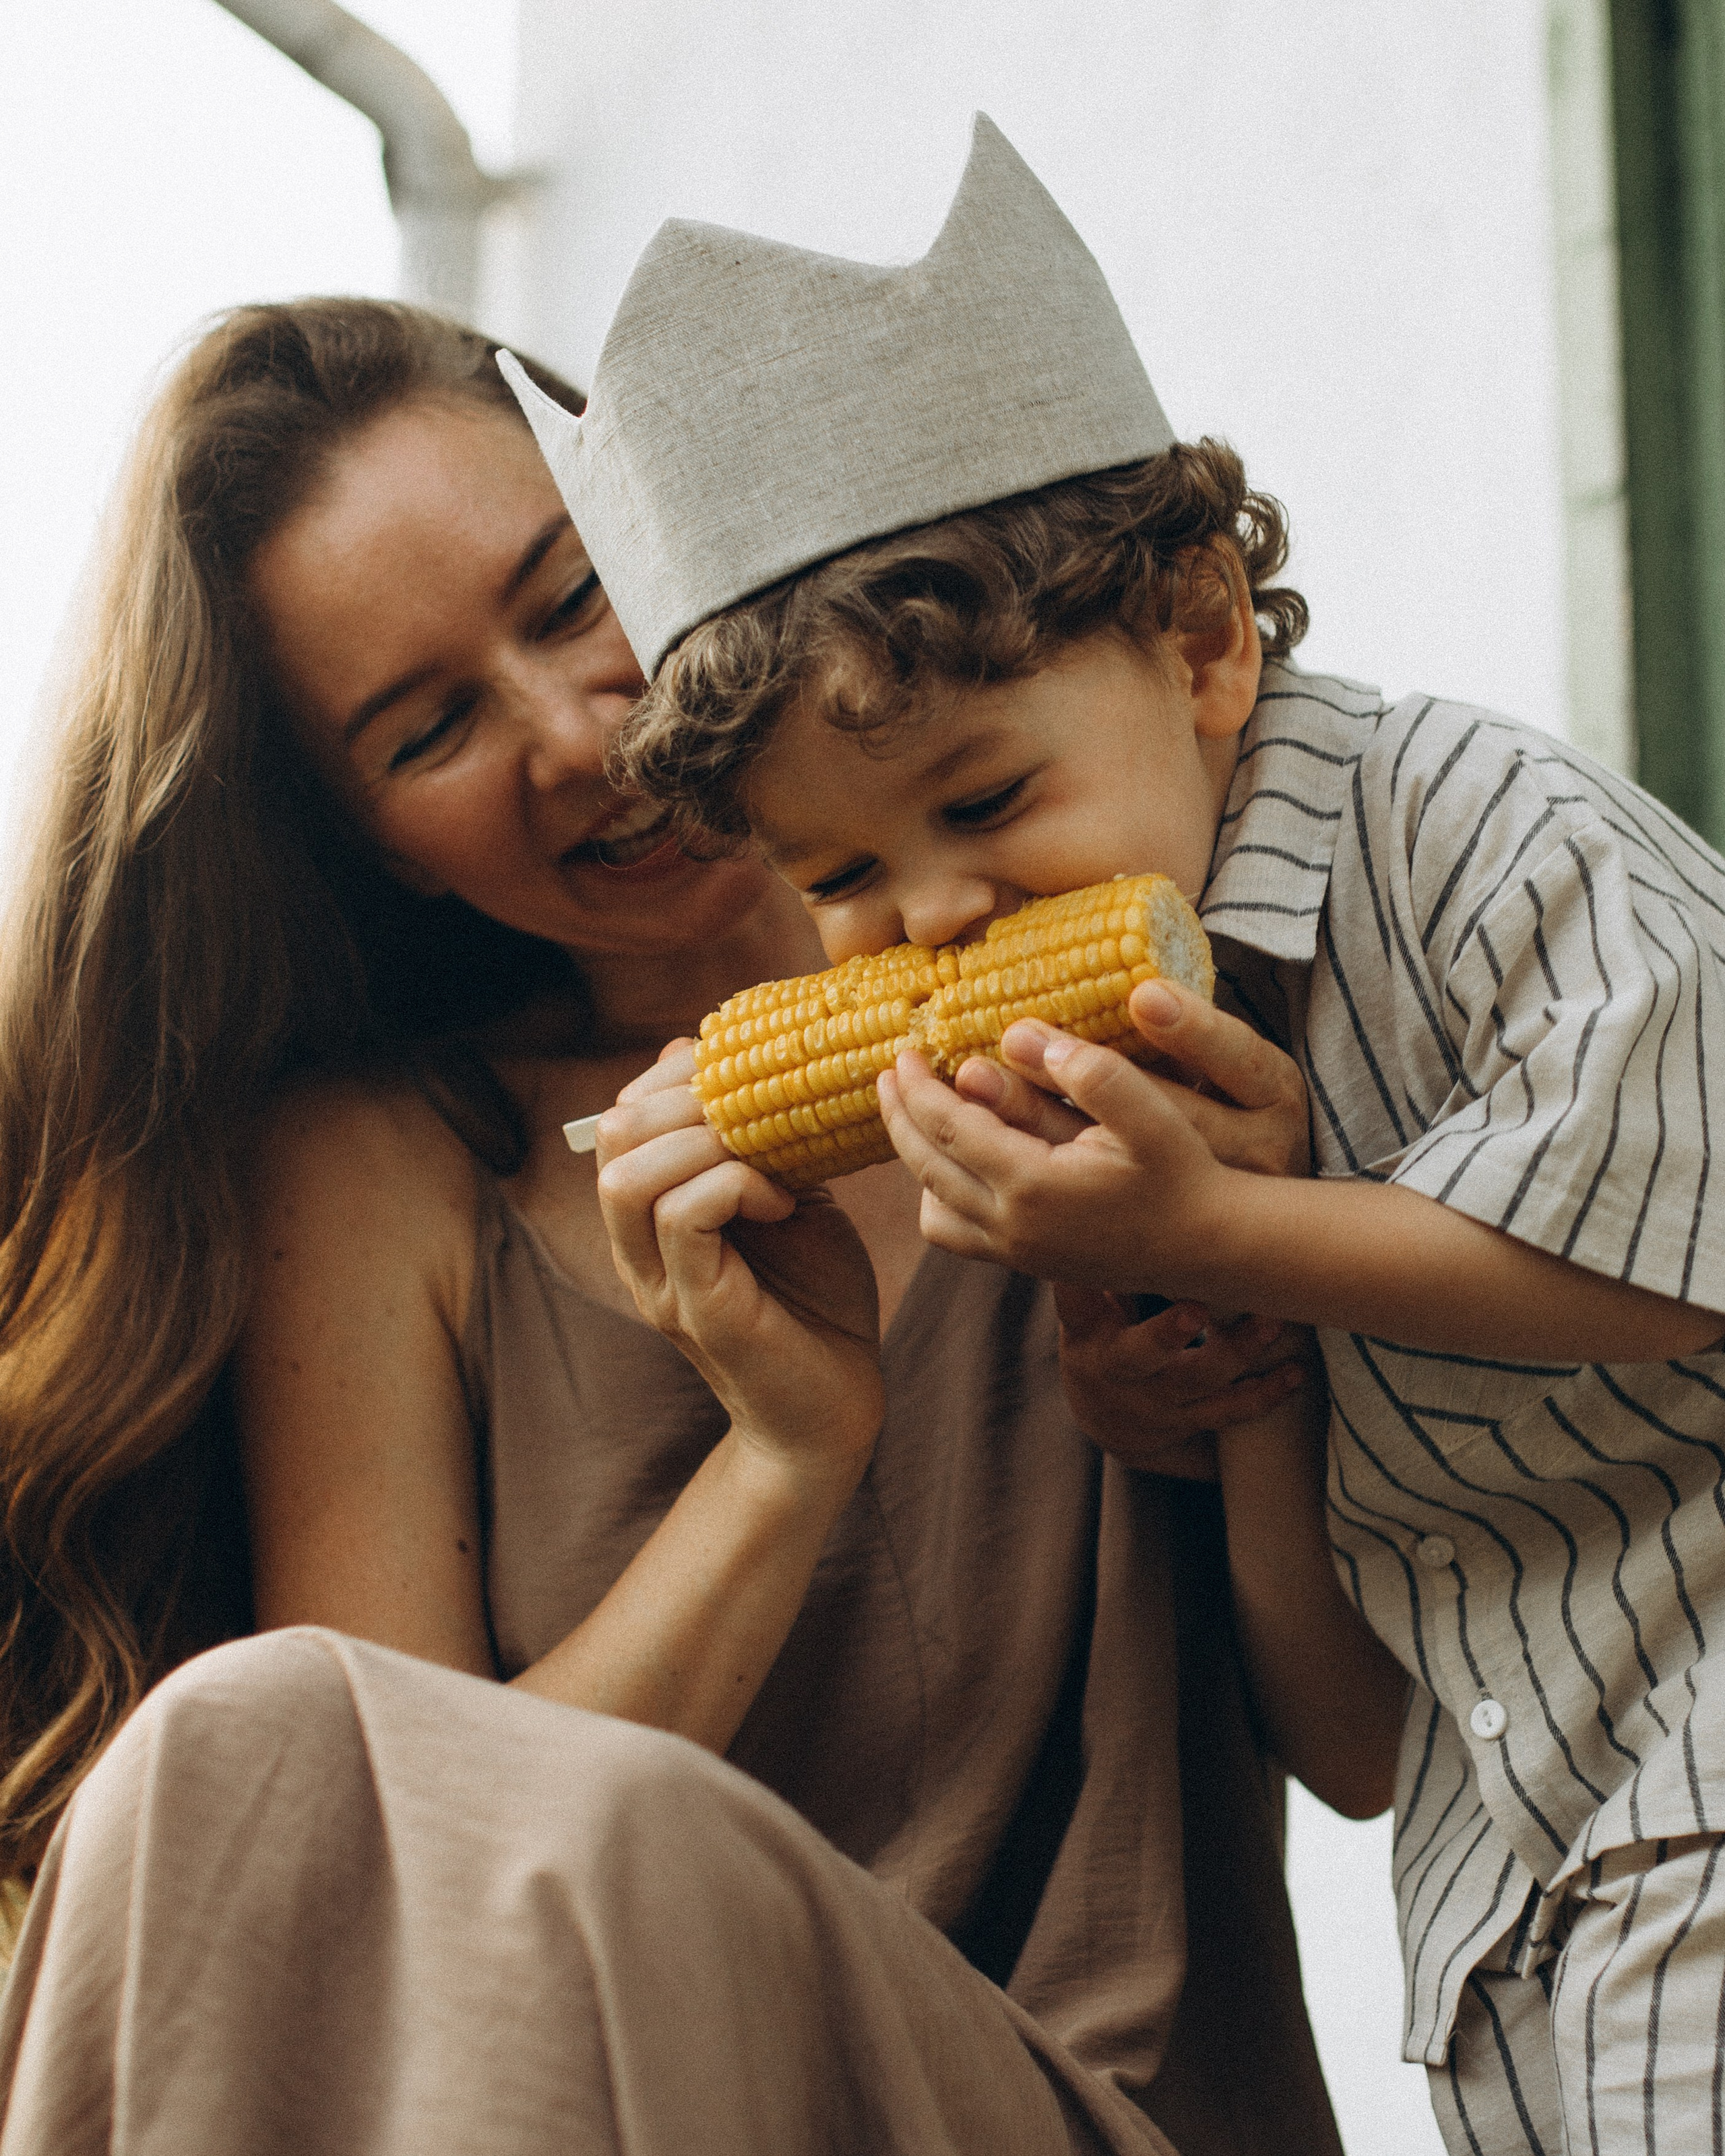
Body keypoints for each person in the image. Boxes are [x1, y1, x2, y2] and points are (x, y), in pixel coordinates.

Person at [0, 296, 1357, 2156]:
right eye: (429, 729)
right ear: (370, 838)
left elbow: (1362, 1740)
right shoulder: (382, 1169)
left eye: (571, 602)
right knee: (230, 1750)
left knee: (600, 1831)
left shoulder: (1136, 988)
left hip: (1065, 2105)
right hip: (569, 2089)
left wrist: (1247, 1276)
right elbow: (388, 1874)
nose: (587, 736)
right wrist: (785, 1455)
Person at [507, 113, 1725, 2156]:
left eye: (982, 804)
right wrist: (1242, 1386)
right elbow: (1349, 1748)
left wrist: (1245, 1236)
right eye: (843, 877)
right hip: (1519, 1957)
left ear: (1202, 644)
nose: (943, 919)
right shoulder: (1122, 1127)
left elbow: (1690, 1268)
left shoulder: (1492, 838)